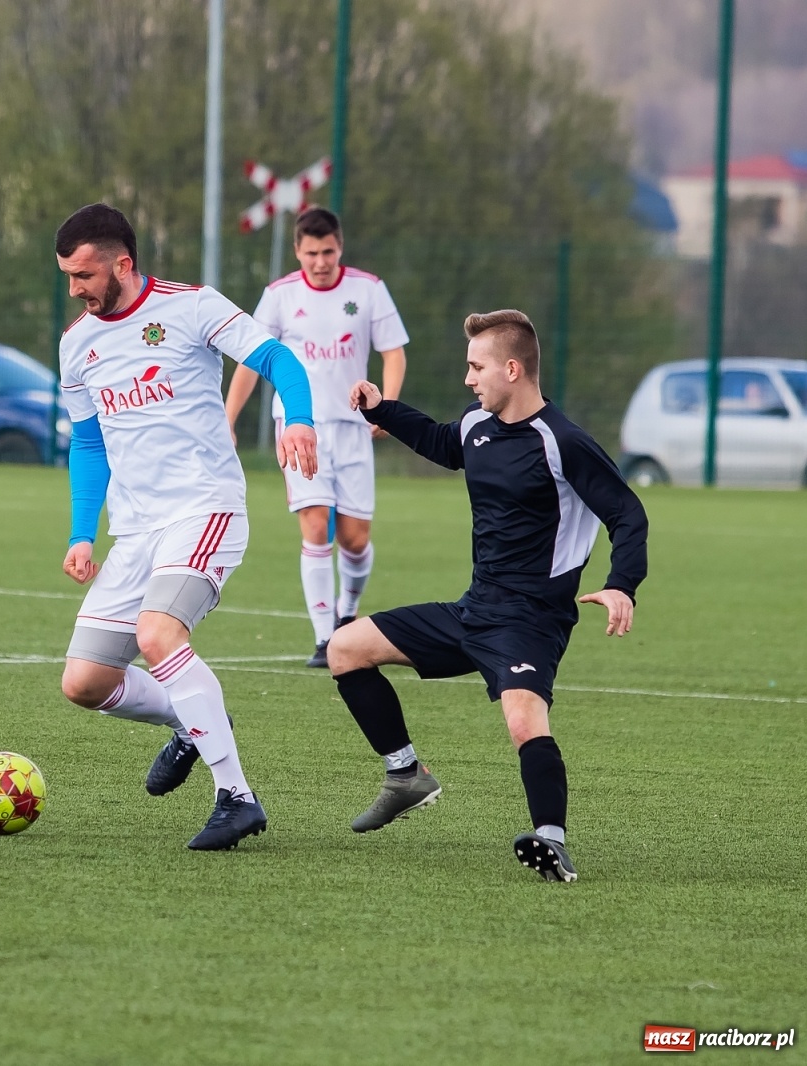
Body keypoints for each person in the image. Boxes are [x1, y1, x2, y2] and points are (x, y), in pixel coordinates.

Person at [329, 309, 648, 882]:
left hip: (531, 621)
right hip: (473, 609)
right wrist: (381, 408)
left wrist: (622, 583)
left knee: (524, 719)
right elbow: (442, 442)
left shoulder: (563, 442)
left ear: (512, 368)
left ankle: (551, 841)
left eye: (477, 367)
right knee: (345, 647)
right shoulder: (478, 426)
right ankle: (405, 775)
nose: (469, 379)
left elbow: (627, 513)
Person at [54, 203, 319, 850]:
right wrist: (82, 532)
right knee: (85, 683)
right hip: (136, 531)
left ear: (123, 263)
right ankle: (197, 721)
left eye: (84, 274)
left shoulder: (191, 306)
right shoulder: (76, 345)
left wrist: (302, 417)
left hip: (205, 508)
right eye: (67, 276)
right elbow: (88, 446)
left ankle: (237, 796)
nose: (75, 289)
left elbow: (278, 359)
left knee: (157, 634)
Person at [223, 208, 409, 668]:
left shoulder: (368, 289)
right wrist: (228, 417)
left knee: (354, 538)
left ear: (339, 247)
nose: (320, 261)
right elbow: (251, 359)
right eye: (311, 253)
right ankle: (326, 639)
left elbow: (394, 353)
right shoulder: (279, 296)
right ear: (297, 251)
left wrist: (388, 407)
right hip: (298, 426)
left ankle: (348, 613)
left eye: (328, 252)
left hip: (352, 428)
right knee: (315, 526)